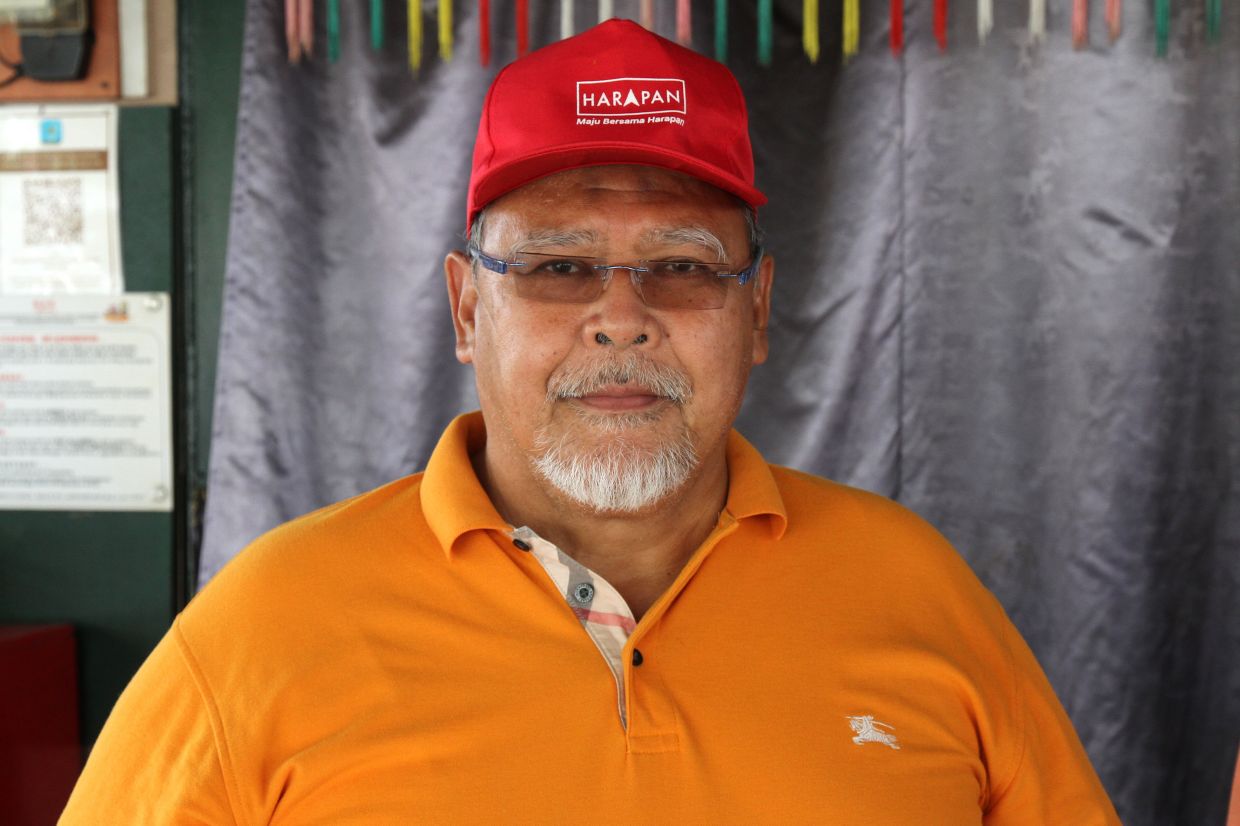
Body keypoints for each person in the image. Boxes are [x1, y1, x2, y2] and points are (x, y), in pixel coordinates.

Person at [61, 19, 1120, 825]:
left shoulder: (915, 589)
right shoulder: (264, 630)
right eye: (558, 266)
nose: (621, 317)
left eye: (682, 266)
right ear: (467, 310)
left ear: (758, 311)